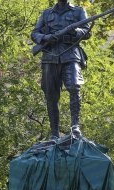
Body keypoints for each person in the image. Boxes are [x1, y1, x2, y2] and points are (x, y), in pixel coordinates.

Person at [31, 0, 92, 140]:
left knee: (74, 86)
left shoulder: (78, 11)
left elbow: (87, 32)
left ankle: (75, 127)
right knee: (51, 95)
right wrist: (46, 37)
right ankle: (54, 133)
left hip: (71, 54)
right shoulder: (46, 13)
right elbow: (34, 33)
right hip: (50, 56)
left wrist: (75, 31)